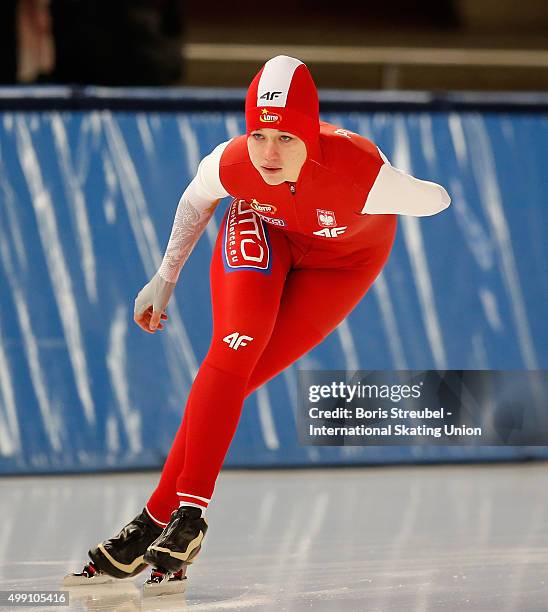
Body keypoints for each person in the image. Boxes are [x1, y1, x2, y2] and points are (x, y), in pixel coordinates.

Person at [66, 55, 450, 592]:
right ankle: (189, 517)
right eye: (259, 134)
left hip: (342, 264)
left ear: (310, 136)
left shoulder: (360, 173)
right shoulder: (231, 164)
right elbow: (194, 203)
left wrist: (394, 185)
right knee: (231, 354)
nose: (269, 153)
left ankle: (155, 519)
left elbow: (437, 200)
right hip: (263, 231)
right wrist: (164, 277)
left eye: (287, 138)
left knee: (237, 379)